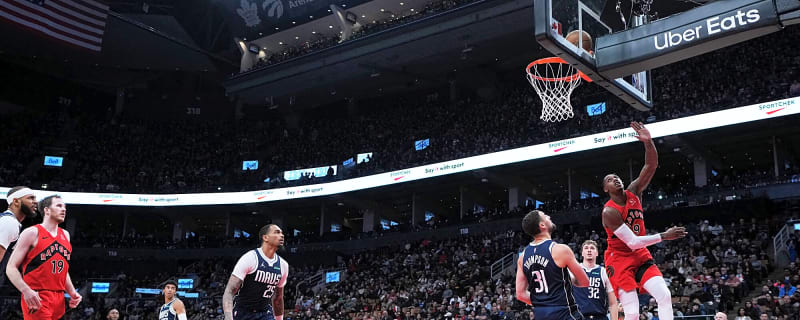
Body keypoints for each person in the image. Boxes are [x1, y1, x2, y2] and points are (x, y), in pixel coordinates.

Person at [601, 122, 687, 320]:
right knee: (632, 312)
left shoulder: (634, 191)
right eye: (610, 179)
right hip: (619, 258)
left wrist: (648, 143)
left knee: (664, 296)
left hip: (640, 254)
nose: (615, 179)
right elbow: (632, 242)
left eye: (616, 177)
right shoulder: (609, 212)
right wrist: (664, 236)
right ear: (606, 189)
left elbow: (650, 166)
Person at [5, 195, 82, 319]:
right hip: (37, 295)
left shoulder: (65, 234)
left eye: (64, 207)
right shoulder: (32, 232)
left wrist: (72, 292)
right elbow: (11, 267)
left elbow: (62, 270)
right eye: (59, 206)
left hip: (59, 297)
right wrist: (26, 290)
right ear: (46, 210)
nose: (63, 209)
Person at [516, 210, 589, 320]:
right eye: (545, 216)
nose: (549, 216)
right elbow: (584, 281)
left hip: (540, 315)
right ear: (542, 225)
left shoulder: (523, 257)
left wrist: (543, 303)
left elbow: (520, 294)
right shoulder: (560, 250)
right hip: (564, 313)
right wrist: (570, 277)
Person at [223, 224, 288, 320]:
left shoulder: (283, 265)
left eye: (282, 233)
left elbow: (278, 298)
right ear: (265, 237)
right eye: (277, 232)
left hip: (265, 312)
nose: (281, 235)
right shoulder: (250, 258)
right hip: (243, 312)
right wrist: (228, 317)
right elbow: (229, 291)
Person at [573, 240, 619, 320]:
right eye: (586, 248)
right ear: (582, 253)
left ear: (597, 253)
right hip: (579, 316)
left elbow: (613, 303)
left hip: (599, 316)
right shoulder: (573, 270)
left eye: (592, 248)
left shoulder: (604, 272)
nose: (589, 250)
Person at [1, 186, 36, 287]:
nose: (35, 202)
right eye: (30, 198)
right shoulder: (9, 222)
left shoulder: (10, 221)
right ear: (16, 201)